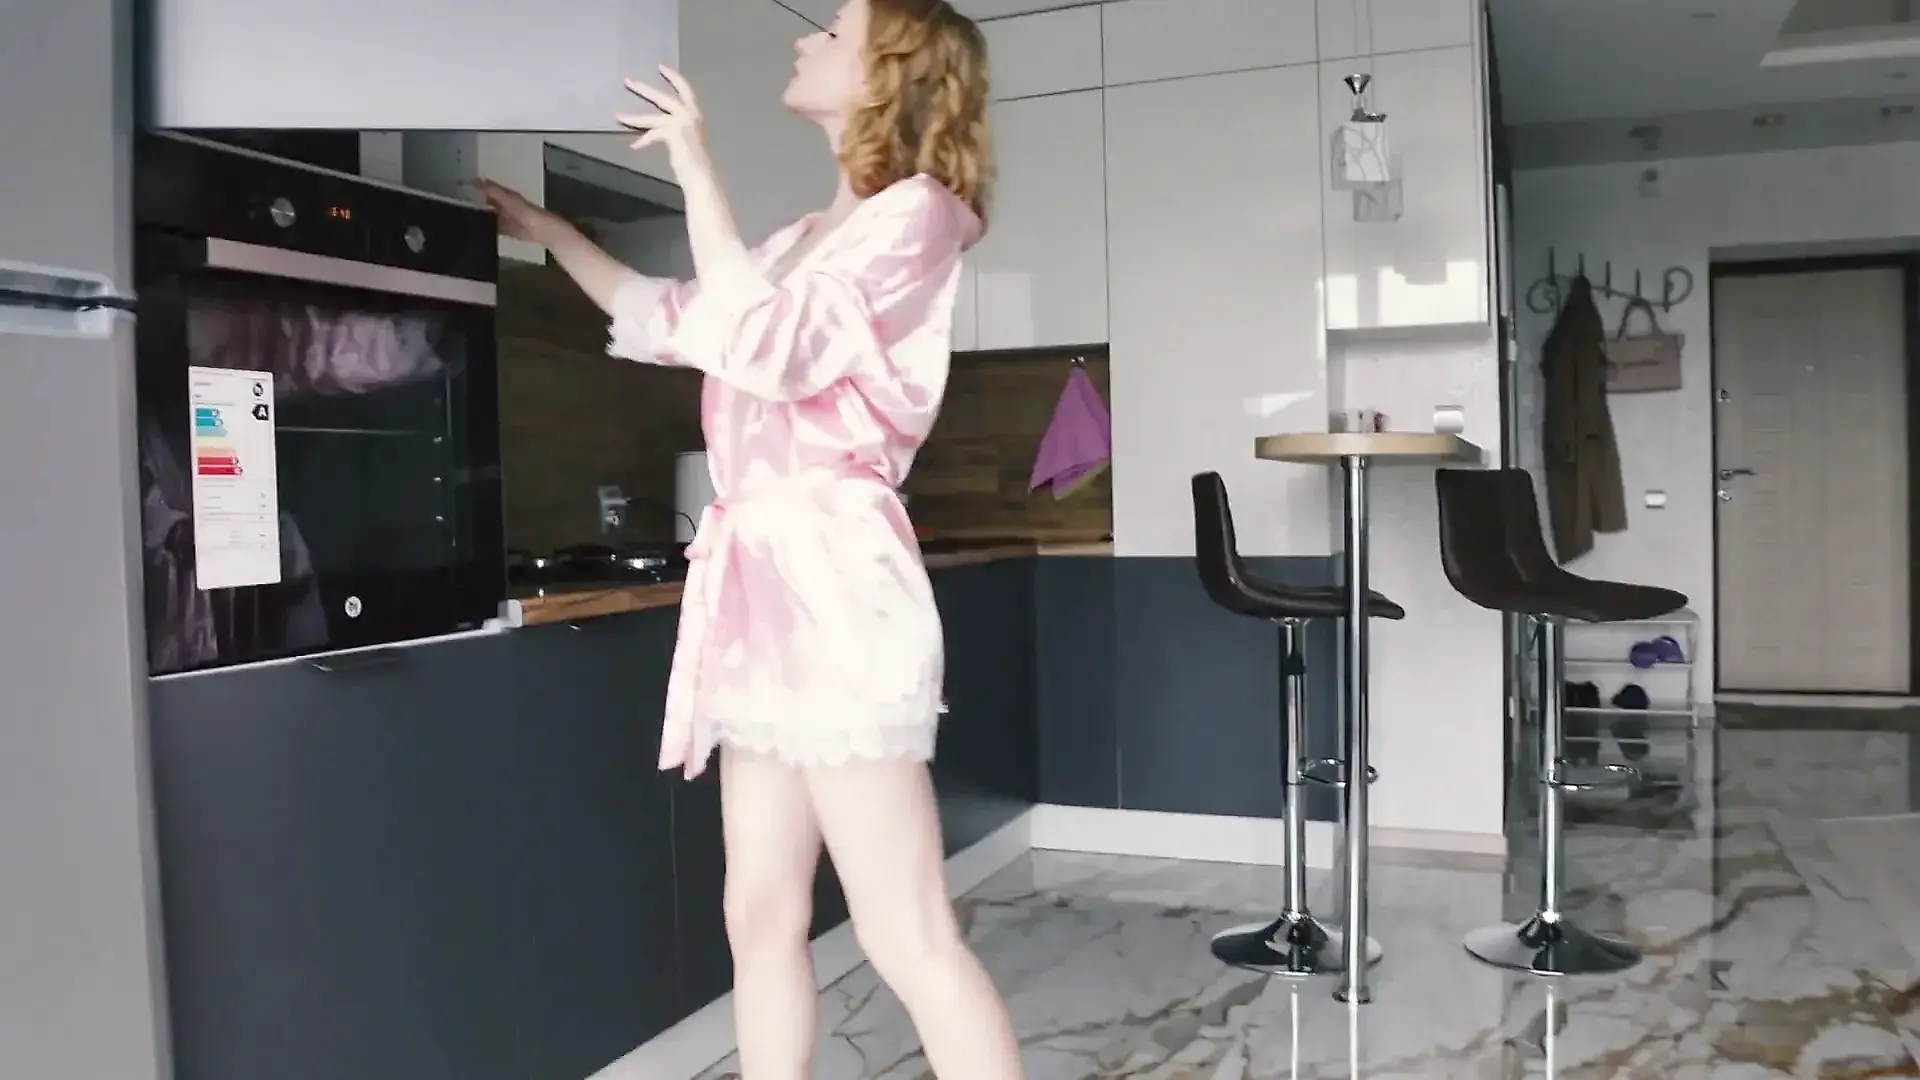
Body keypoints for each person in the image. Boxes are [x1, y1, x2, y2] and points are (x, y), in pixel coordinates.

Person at [477, 1, 1025, 1077]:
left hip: (835, 585)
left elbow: (771, 350)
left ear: (890, 71)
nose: (806, 38)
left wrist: (695, 164)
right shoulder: (796, 243)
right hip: (761, 600)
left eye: (835, 30)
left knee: (904, 929)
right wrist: (554, 235)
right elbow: (673, 315)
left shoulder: (918, 217)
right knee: (758, 913)